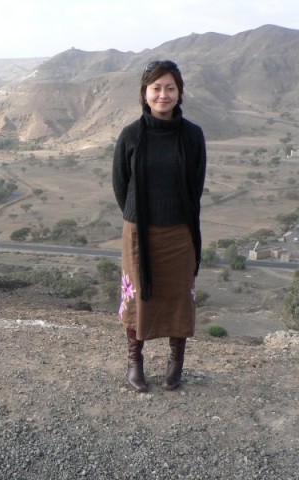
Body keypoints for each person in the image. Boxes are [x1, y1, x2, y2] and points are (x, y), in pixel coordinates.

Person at [112, 60, 207, 392]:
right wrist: (139, 214)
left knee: (179, 297)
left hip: (180, 232)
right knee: (137, 297)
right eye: (156, 88)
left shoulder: (193, 135)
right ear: (145, 93)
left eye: (170, 88)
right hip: (139, 233)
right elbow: (121, 185)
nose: (163, 94)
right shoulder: (130, 135)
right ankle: (134, 363)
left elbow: (196, 185)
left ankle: (175, 364)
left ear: (179, 93)